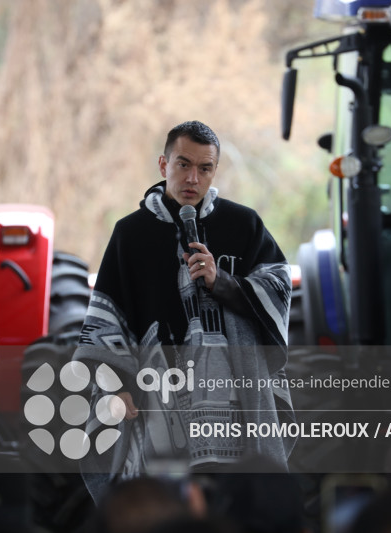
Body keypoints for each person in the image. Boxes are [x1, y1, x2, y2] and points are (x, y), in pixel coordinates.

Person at [73, 121, 295, 501]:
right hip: (158, 400)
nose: (193, 177)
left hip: (236, 401)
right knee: (166, 506)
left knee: (236, 505)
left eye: (205, 168)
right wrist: (116, 385)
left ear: (214, 171)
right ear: (163, 165)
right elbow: (107, 318)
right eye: (183, 164)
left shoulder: (243, 224)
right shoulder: (131, 234)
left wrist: (221, 281)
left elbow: (278, 284)